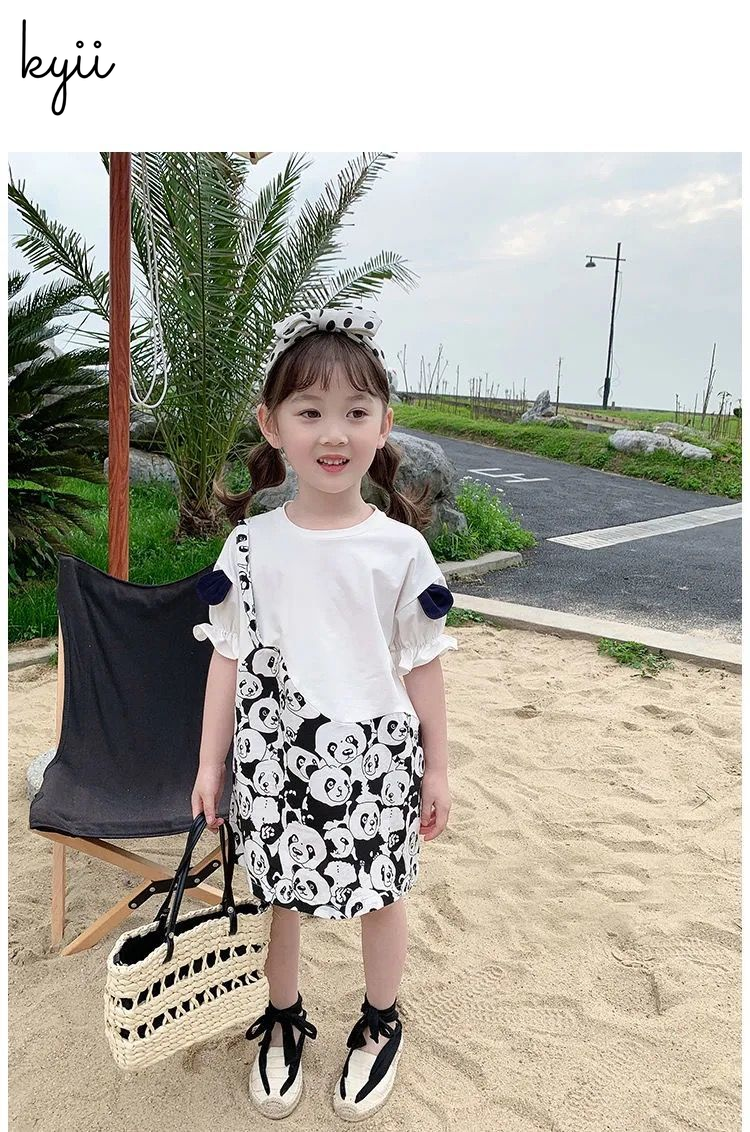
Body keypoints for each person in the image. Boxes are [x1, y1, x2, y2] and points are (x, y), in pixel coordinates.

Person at [190, 306, 457, 1122]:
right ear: (272, 426)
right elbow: (226, 658)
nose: (333, 433)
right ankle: (282, 1017)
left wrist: (439, 767)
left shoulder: (403, 550)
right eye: (309, 411)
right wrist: (209, 764)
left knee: (384, 893)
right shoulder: (249, 546)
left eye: (355, 411)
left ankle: (380, 1020)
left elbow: (423, 663)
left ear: (384, 424)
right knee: (281, 894)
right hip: (276, 757)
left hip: (379, 757)